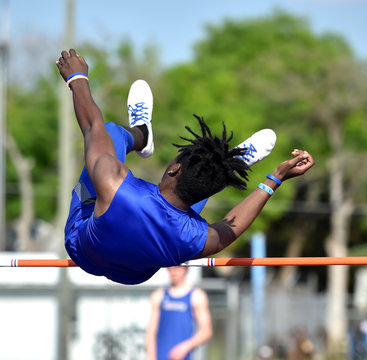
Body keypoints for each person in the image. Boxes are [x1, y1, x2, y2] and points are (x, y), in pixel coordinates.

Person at [56, 48, 315, 285]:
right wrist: (275, 179)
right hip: (135, 273)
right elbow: (228, 231)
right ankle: (229, 165)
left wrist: (77, 77)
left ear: (174, 169)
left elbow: (93, 126)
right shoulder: (196, 236)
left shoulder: (114, 185)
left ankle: (141, 134)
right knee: (192, 202)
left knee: (111, 132)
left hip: (83, 249)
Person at [146, 266, 212, 360]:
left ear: (186, 269)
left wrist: (185, 347)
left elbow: (206, 331)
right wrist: (151, 357)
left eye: (178, 268)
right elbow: (151, 332)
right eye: (171, 268)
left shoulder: (197, 296)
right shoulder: (159, 295)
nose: (174, 271)